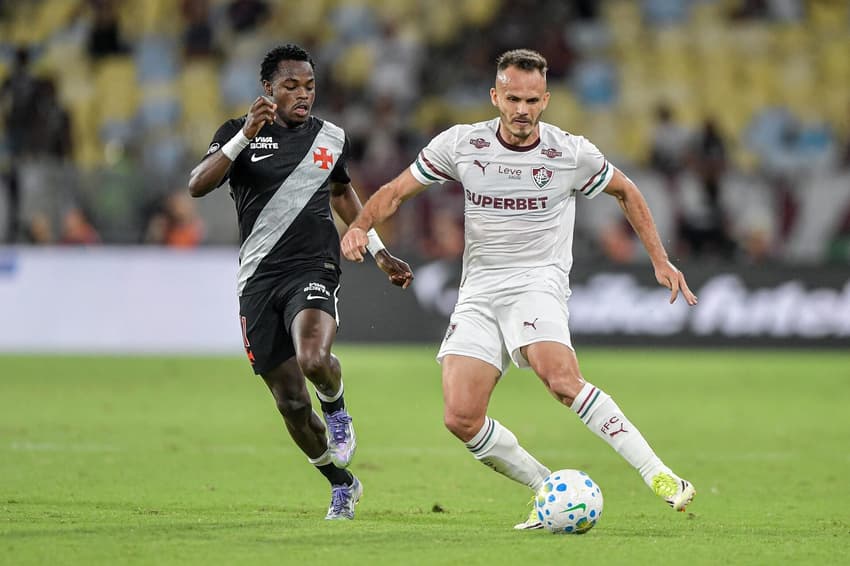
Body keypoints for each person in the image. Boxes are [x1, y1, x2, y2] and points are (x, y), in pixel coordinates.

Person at [341, 49, 697, 529]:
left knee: (561, 380)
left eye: (532, 100)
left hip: (537, 282)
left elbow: (626, 191)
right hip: (479, 290)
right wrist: (361, 226)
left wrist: (660, 259)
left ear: (545, 100)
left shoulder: (570, 152)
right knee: (461, 418)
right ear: (496, 97)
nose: (522, 110)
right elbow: (396, 192)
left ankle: (659, 475)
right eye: (512, 98)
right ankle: (548, 488)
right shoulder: (463, 144)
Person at [188, 43, 413, 520]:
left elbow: (341, 193)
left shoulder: (330, 137)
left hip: (313, 267)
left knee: (314, 358)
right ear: (267, 89)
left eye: (309, 86)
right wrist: (244, 134)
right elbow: (197, 185)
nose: (303, 94)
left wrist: (377, 251)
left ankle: (336, 409)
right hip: (257, 279)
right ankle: (342, 483)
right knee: (290, 402)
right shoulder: (237, 133)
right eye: (291, 86)